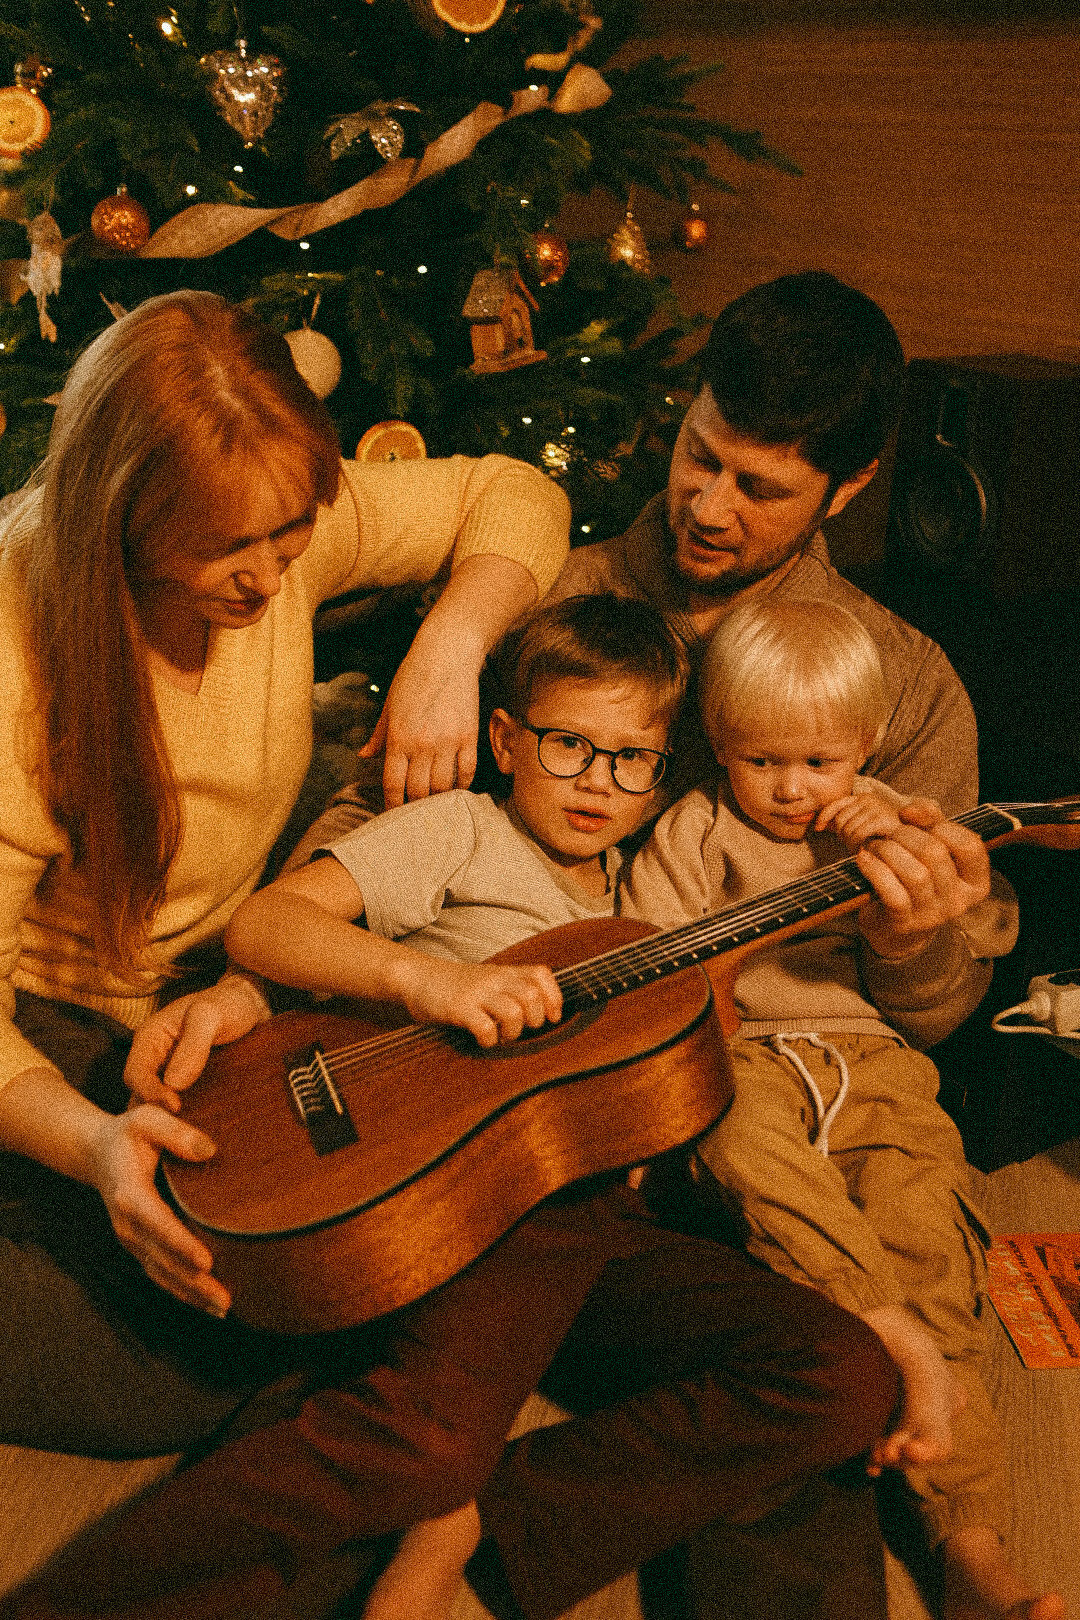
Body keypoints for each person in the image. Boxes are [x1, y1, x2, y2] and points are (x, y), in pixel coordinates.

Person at [0, 596, 901, 1620]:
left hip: (588, 1212)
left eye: (630, 758)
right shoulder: (461, 831)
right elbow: (271, 923)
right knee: (420, 1439)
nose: (599, 783)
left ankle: (488, 1525)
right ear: (507, 741)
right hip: (454, 1189)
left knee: (842, 1371)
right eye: (569, 747)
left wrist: (895, 843)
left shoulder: (651, 890)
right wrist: (426, 985)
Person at [0, 285, 573, 1422]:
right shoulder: (18, 648)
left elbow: (518, 493)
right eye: (228, 551)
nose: (272, 576)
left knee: (328, 1281)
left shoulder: (270, 510)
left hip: (222, 981)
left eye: (291, 532)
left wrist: (448, 650)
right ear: (122, 517)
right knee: (189, 1370)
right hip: (45, 1016)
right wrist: (99, 1147)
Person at [622, 596, 1061, 1620]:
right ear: (720, 747)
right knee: (739, 1151)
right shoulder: (692, 830)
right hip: (745, 1056)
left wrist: (900, 913)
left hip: (873, 1056)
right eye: (760, 760)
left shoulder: (899, 825)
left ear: (862, 748)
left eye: (820, 762)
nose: (790, 788)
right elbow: (653, 982)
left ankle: (971, 1552)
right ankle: (886, 1325)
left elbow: (924, 1001)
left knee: (928, 1221)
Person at [551, 268, 979, 817]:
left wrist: (941, 901)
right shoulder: (544, 592)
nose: (707, 510)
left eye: (760, 490)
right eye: (701, 457)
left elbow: (976, 896)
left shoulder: (912, 686)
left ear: (848, 488)